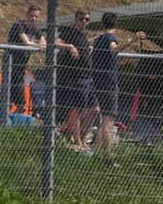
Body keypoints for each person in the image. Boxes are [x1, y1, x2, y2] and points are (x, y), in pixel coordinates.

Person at [88, 12, 127, 155]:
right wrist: (132, 40)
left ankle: (96, 150)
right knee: (108, 120)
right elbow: (114, 49)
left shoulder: (99, 39)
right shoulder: (110, 38)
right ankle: (108, 154)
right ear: (115, 24)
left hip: (98, 80)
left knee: (104, 117)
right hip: (109, 81)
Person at [53, 8, 92, 147]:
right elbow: (56, 42)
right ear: (76, 19)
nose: (84, 22)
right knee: (76, 108)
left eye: (87, 19)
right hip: (75, 77)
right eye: (81, 19)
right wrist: (70, 47)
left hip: (86, 76)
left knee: (93, 108)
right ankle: (76, 140)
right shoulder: (70, 31)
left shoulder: (83, 35)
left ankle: (80, 137)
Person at [4, 4, 46, 114]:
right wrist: (38, 46)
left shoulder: (34, 28)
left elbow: (43, 41)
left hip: (21, 66)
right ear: (27, 15)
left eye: (36, 17)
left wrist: (41, 44)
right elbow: (26, 42)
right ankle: (5, 117)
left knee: (20, 100)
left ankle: (13, 120)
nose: (34, 19)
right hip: (11, 64)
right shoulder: (19, 25)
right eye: (32, 16)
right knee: (10, 93)